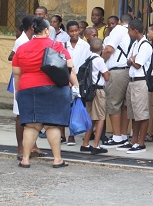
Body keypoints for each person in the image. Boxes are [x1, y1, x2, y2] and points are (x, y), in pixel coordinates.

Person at [12, 16, 80, 169]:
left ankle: (26, 160)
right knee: (52, 125)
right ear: (47, 30)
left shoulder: (22, 48)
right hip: (53, 89)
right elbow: (70, 68)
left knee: (31, 125)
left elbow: (16, 72)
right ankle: (57, 160)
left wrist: (18, 91)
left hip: (27, 89)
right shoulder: (57, 46)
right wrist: (76, 86)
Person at [9, 15, 46, 162]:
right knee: (20, 114)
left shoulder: (31, 40)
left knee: (32, 113)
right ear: (32, 27)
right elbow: (13, 57)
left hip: (32, 80)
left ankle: (33, 146)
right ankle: (20, 147)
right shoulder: (21, 41)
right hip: (21, 81)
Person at [117, 19, 153, 153]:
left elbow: (137, 64)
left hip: (140, 81)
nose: (128, 32)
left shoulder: (145, 45)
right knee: (133, 113)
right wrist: (132, 59)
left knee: (141, 113)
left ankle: (141, 142)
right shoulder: (135, 44)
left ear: (135, 30)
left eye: (129, 30)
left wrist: (132, 59)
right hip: (132, 81)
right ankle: (133, 140)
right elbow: (129, 60)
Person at [102, 14, 132, 147]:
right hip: (129, 71)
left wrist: (101, 62)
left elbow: (109, 49)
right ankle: (123, 134)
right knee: (124, 106)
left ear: (120, 21)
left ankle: (117, 136)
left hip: (117, 71)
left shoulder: (118, 30)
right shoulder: (132, 33)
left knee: (113, 104)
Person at [79, 38, 110, 154]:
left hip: (89, 90)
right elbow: (106, 77)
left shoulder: (88, 59)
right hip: (98, 91)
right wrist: (108, 74)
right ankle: (96, 145)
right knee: (101, 117)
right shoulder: (99, 60)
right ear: (102, 48)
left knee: (91, 117)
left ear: (90, 48)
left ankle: (85, 143)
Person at [63, 20, 91, 146]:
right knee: (64, 107)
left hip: (78, 80)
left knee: (75, 106)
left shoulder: (85, 46)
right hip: (64, 80)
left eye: (76, 30)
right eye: (71, 31)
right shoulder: (63, 45)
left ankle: (72, 134)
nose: (74, 33)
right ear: (68, 32)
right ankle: (62, 134)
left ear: (80, 30)